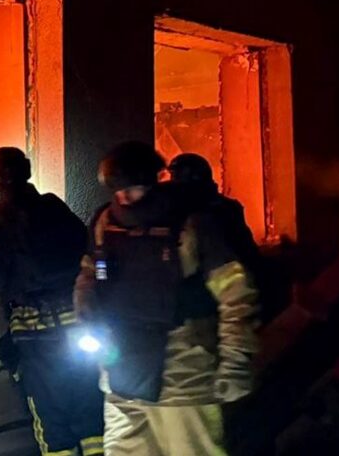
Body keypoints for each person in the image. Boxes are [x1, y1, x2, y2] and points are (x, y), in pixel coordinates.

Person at [75, 142, 260, 455]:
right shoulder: (105, 222)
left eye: (131, 189)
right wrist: (87, 316)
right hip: (122, 373)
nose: (124, 199)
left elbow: (236, 294)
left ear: (153, 180)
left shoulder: (192, 225)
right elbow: (89, 275)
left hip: (183, 372)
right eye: (117, 190)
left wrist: (235, 361)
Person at [0, 147, 105, 456]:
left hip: (37, 334)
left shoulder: (0, 219)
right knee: (89, 409)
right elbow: (86, 252)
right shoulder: (54, 206)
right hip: (78, 325)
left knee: (51, 416)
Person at [167, 153, 285, 323]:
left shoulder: (215, 212)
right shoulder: (193, 210)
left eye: (177, 177)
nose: (174, 183)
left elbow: (237, 260)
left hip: (222, 293)